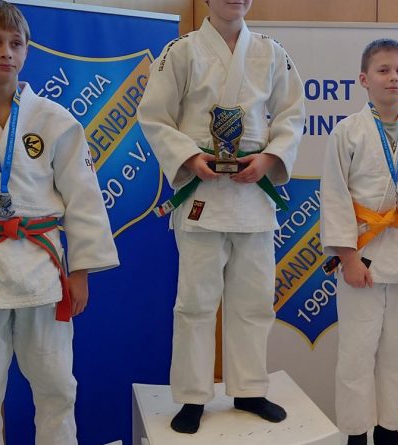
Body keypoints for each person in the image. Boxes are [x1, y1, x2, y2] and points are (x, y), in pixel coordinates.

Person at [0, 1, 119, 443]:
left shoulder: (56, 121)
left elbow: (84, 199)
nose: (6, 52)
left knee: (57, 386)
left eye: (16, 43)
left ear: (27, 50)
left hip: (42, 268)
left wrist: (81, 271)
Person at [136, 0, 305, 434]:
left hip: (253, 195)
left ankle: (248, 389)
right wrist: (188, 157)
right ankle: (193, 396)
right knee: (195, 303)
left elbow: (292, 113)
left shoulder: (270, 51)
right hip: (203, 194)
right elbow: (154, 116)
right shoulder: (181, 52)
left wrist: (270, 158)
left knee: (254, 300)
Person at [320, 38, 398, 445]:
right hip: (364, 253)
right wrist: (347, 257)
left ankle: (389, 427)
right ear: (364, 79)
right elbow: (335, 196)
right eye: (383, 70)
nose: (393, 77)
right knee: (357, 351)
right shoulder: (347, 132)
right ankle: (356, 433)